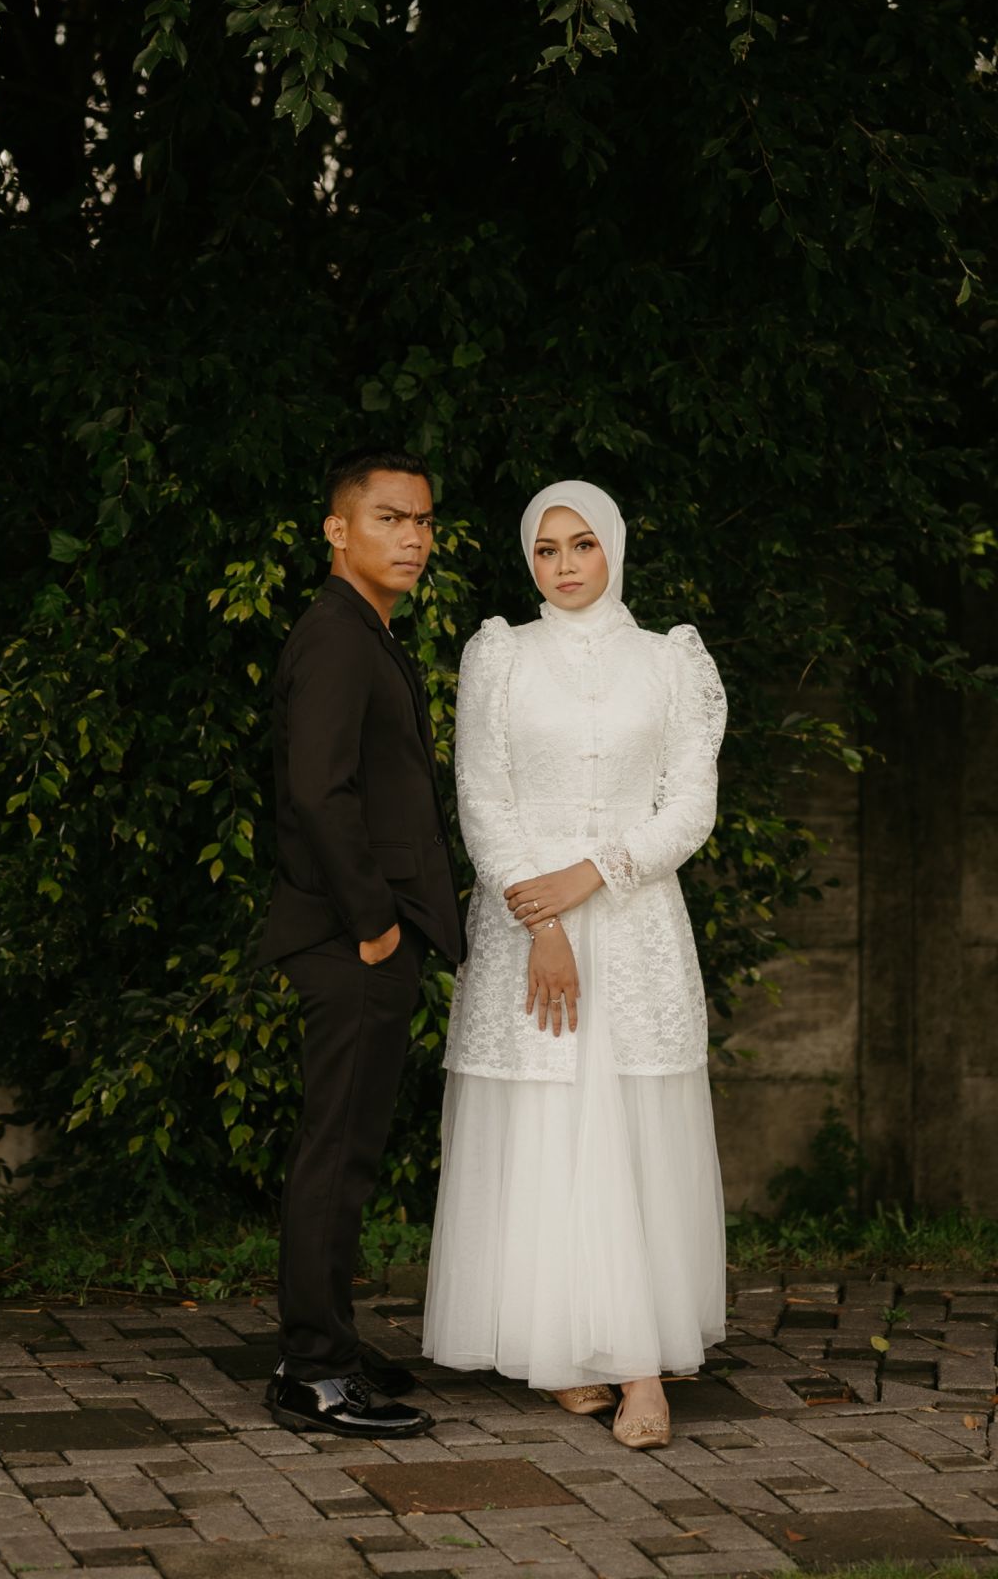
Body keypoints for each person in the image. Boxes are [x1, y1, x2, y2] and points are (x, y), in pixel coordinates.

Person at [423, 480, 727, 1449]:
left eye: (582, 544)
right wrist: (544, 921)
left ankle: (641, 1369)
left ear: (614, 549)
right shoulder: (500, 655)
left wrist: (593, 875)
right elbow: (482, 798)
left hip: (634, 925)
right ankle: (564, 1347)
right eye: (546, 548)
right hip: (527, 926)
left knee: (628, 1134)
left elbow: (691, 806)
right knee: (548, 1133)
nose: (563, 564)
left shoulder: (670, 660)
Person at [258, 446, 464, 1440]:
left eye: (422, 521)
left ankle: (329, 1338)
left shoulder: (363, 630)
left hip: (362, 935)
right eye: (390, 518)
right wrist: (376, 921)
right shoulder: (339, 635)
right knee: (336, 1154)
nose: (412, 537)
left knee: (348, 1149)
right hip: (351, 939)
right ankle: (313, 1371)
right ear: (337, 530)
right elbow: (316, 791)